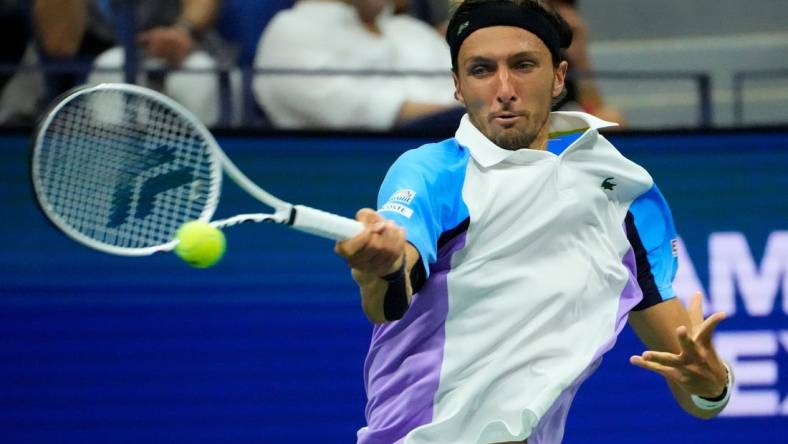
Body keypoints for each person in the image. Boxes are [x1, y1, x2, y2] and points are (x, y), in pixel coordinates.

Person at [334, 1, 732, 443]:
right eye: (481, 70)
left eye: (523, 65)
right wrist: (381, 267)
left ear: (560, 77)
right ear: (458, 87)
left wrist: (712, 386)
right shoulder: (430, 172)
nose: (504, 88)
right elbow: (388, 296)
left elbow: (696, 391)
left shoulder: (622, 191)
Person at [252, 0, 461, 130]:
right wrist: (466, 114)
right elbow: (360, 110)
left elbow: (467, 90)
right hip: (350, 170)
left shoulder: (411, 30)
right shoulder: (292, 28)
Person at [33, 0, 228, 126]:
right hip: (97, 67)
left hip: (182, 50)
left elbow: (202, 6)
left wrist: (184, 31)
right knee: (111, 66)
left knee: (196, 75)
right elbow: (59, 44)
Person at [545, 0, 625, 125]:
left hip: (562, 121)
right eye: (553, 8)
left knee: (612, 119)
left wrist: (579, 58)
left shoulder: (566, 59)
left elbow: (593, 107)